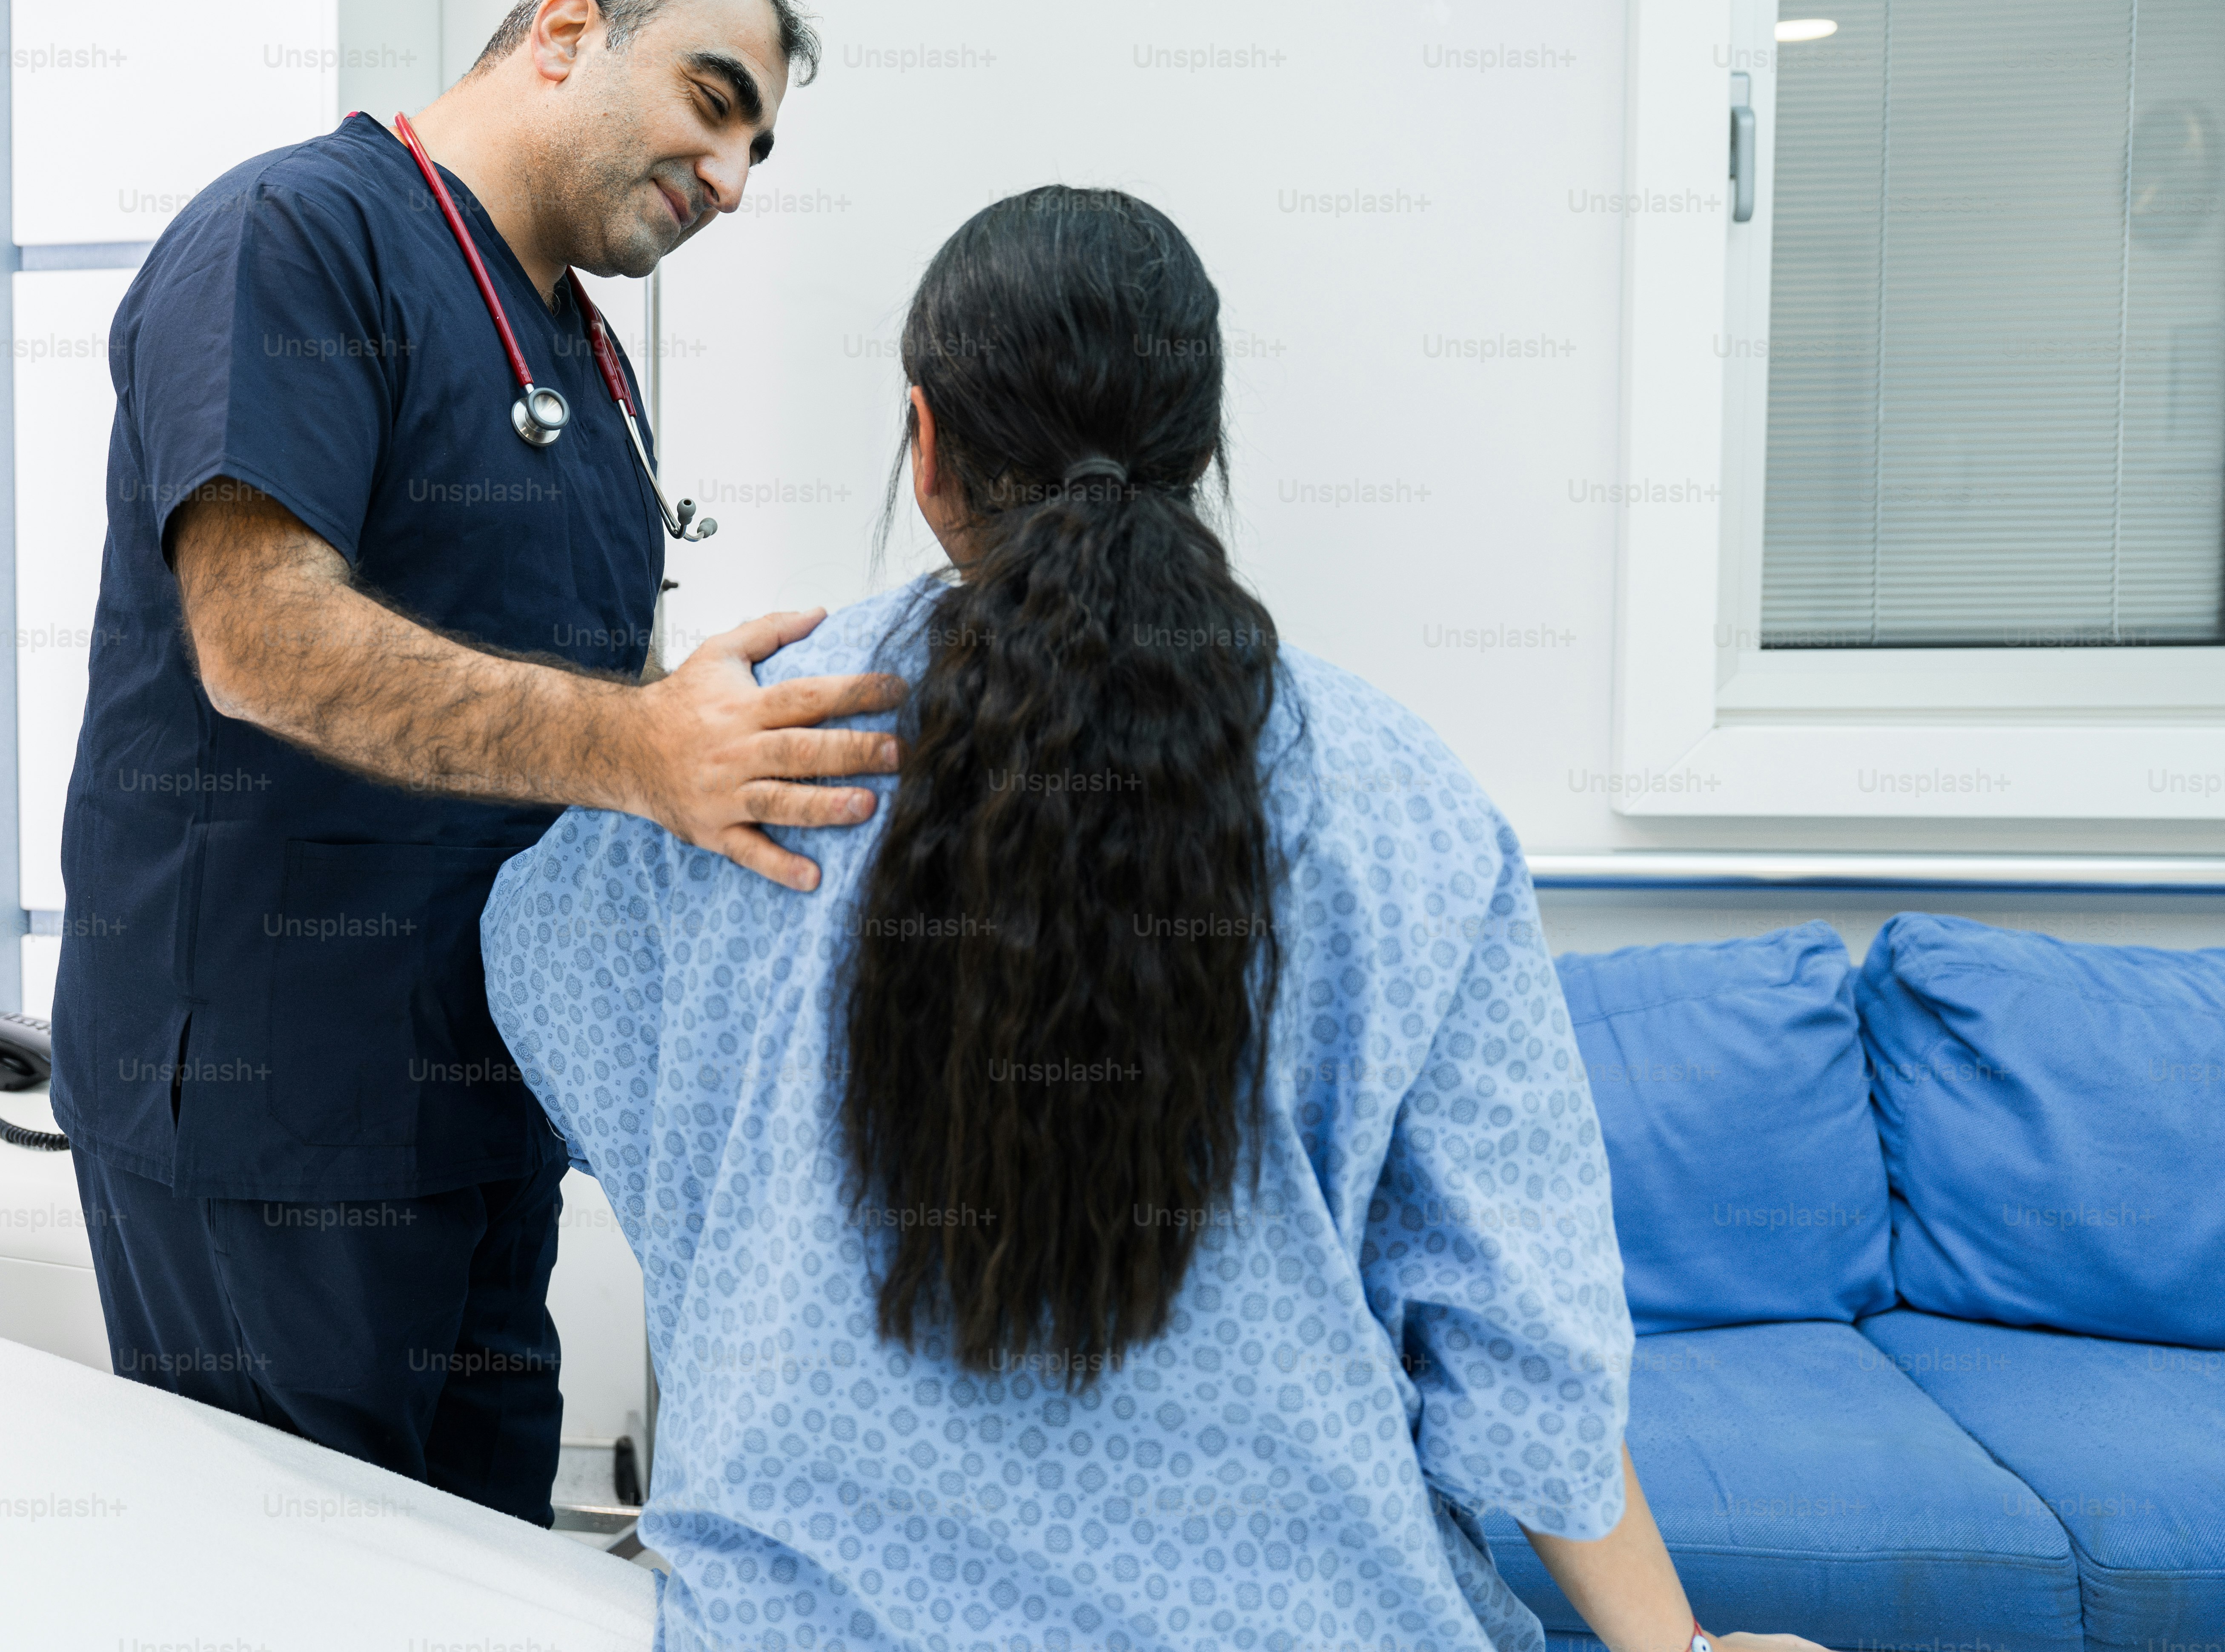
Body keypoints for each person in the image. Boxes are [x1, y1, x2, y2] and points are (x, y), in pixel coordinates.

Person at [483, 189, 1834, 1650]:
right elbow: (1518, 1323)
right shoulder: (1397, 795)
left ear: (925, 445)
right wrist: (1677, 1648)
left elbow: (546, 979)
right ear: (1197, 451)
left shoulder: (749, 744)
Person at [47, 0, 906, 1528]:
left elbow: (547, 699)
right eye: (712, 103)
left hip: (476, 1108)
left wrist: (693, 727)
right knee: (305, 1596)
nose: (731, 179)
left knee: (487, 1571)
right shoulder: (294, 237)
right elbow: (262, 643)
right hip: (273, 1109)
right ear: (566, 31)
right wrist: (645, 745)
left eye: (759, 150)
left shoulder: (580, 345)